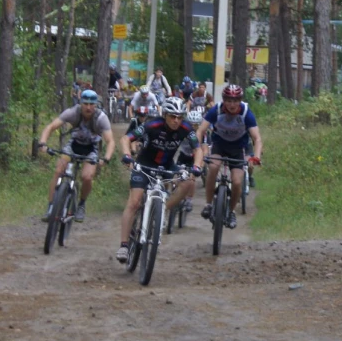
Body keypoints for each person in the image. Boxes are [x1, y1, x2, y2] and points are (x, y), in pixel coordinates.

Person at [116, 96, 203, 263]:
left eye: (179, 117)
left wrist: (197, 167)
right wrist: (127, 156)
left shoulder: (186, 128)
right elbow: (126, 139)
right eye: (172, 116)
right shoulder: (152, 125)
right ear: (165, 115)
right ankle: (124, 245)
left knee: (187, 182)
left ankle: (163, 211)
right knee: (134, 202)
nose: (176, 121)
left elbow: (197, 149)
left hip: (167, 165)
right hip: (144, 164)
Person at [38, 89, 115, 223]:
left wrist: (106, 158)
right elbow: (51, 127)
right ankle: (50, 207)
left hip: (91, 149)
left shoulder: (101, 118)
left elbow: (110, 141)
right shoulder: (73, 112)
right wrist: (43, 143)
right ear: (81, 103)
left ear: (96, 105)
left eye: (92, 104)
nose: (88, 107)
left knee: (87, 177)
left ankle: (81, 204)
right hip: (73, 146)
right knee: (58, 171)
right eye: (85, 104)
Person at [196, 83, 262, 230]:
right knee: (213, 167)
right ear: (224, 100)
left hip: (238, 148)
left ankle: (231, 211)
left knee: (237, 182)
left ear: (240, 100)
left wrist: (255, 157)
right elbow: (200, 131)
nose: (232, 104)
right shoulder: (216, 110)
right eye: (229, 100)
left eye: (236, 100)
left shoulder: (246, 113)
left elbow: (256, 138)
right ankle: (208, 204)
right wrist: (200, 149)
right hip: (219, 145)